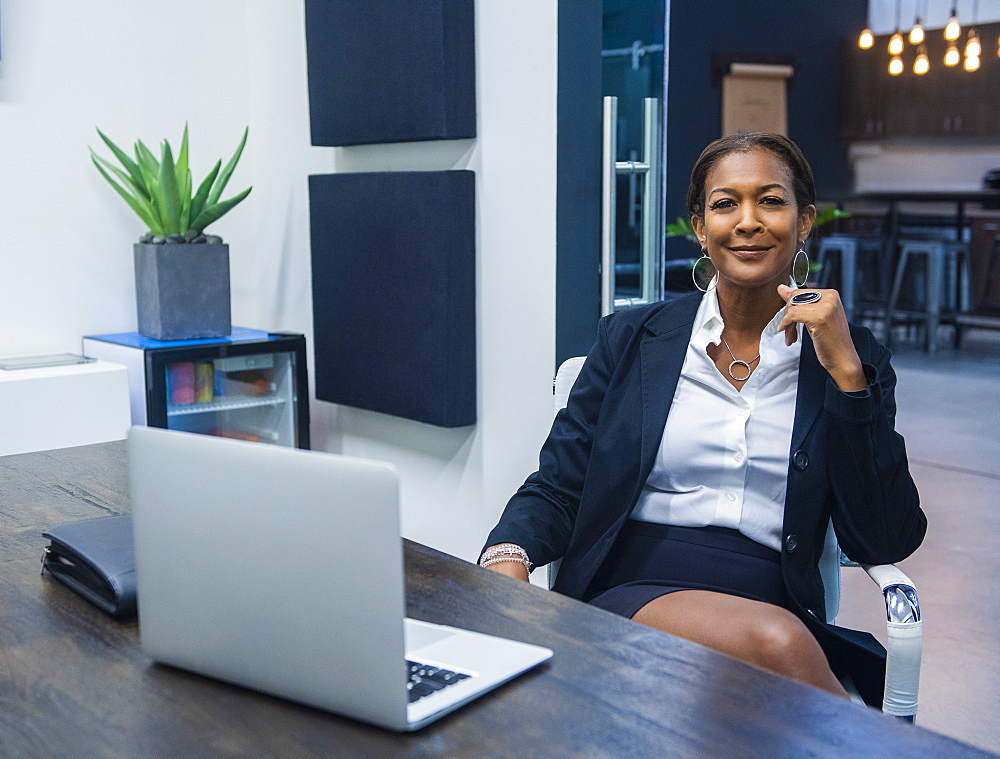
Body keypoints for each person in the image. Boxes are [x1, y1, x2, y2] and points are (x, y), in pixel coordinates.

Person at [480, 132, 926, 706]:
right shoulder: (633, 338)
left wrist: (847, 377)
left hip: (772, 595)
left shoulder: (851, 356)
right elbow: (559, 484)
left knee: (772, 649)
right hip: (631, 587)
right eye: (724, 204)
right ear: (700, 226)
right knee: (778, 645)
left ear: (805, 221)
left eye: (771, 200)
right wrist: (507, 554)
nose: (748, 221)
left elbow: (886, 535)